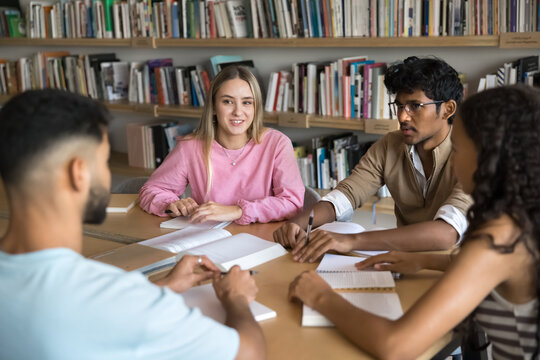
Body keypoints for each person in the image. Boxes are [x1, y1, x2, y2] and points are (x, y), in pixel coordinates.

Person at [0, 89, 265, 360]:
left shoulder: (110, 300)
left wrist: (162, 288)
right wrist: (237, 299)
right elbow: (249, 352)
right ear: (78, 173)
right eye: (104, 161)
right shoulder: (122, 298)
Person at [289, 85, 540, 359]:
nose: (453, 161)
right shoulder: (521, 218)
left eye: (458, 149)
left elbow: (395, 346)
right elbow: (492, 268)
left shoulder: (497, 240)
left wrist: (319, 297)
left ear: (489, 157)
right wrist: (426, 261)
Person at [274, 56, 472, 262]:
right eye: (399, 106)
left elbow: (446, 233)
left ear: (448, 109)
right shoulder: (390, 145)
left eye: (415, 106)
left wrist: (351, 240)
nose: (403, 117)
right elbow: (346, 195)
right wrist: (297, 224)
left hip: (457, 267)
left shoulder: (473, 155)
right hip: (402, 262)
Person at [139, 65, 304, 225]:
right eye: (228, 102)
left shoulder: (277, 144)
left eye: (247, 102)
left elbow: (292, 204)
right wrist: (169, 204)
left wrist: (237, 211)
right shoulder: (190, 147)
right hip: (206, 239)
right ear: (214, 107)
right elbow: (151, 191)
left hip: (261, 240)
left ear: (256, 107)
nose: (238, 112)